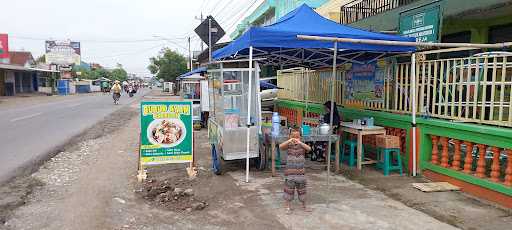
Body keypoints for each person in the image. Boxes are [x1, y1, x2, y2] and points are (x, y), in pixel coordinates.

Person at [279, 128, 312, 214]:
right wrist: (289, 140)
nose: (295, 139)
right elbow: (280, 146)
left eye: (297, 137)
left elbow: (309, 148)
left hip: (301, 174)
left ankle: (305, 206)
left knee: (302, 191)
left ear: (300, 137)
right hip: (290, 174)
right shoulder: (288, 145)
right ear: (289, 136)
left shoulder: (302, 145)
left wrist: (300, 142)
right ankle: (288, 207)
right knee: (288, 190)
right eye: (293, 136)